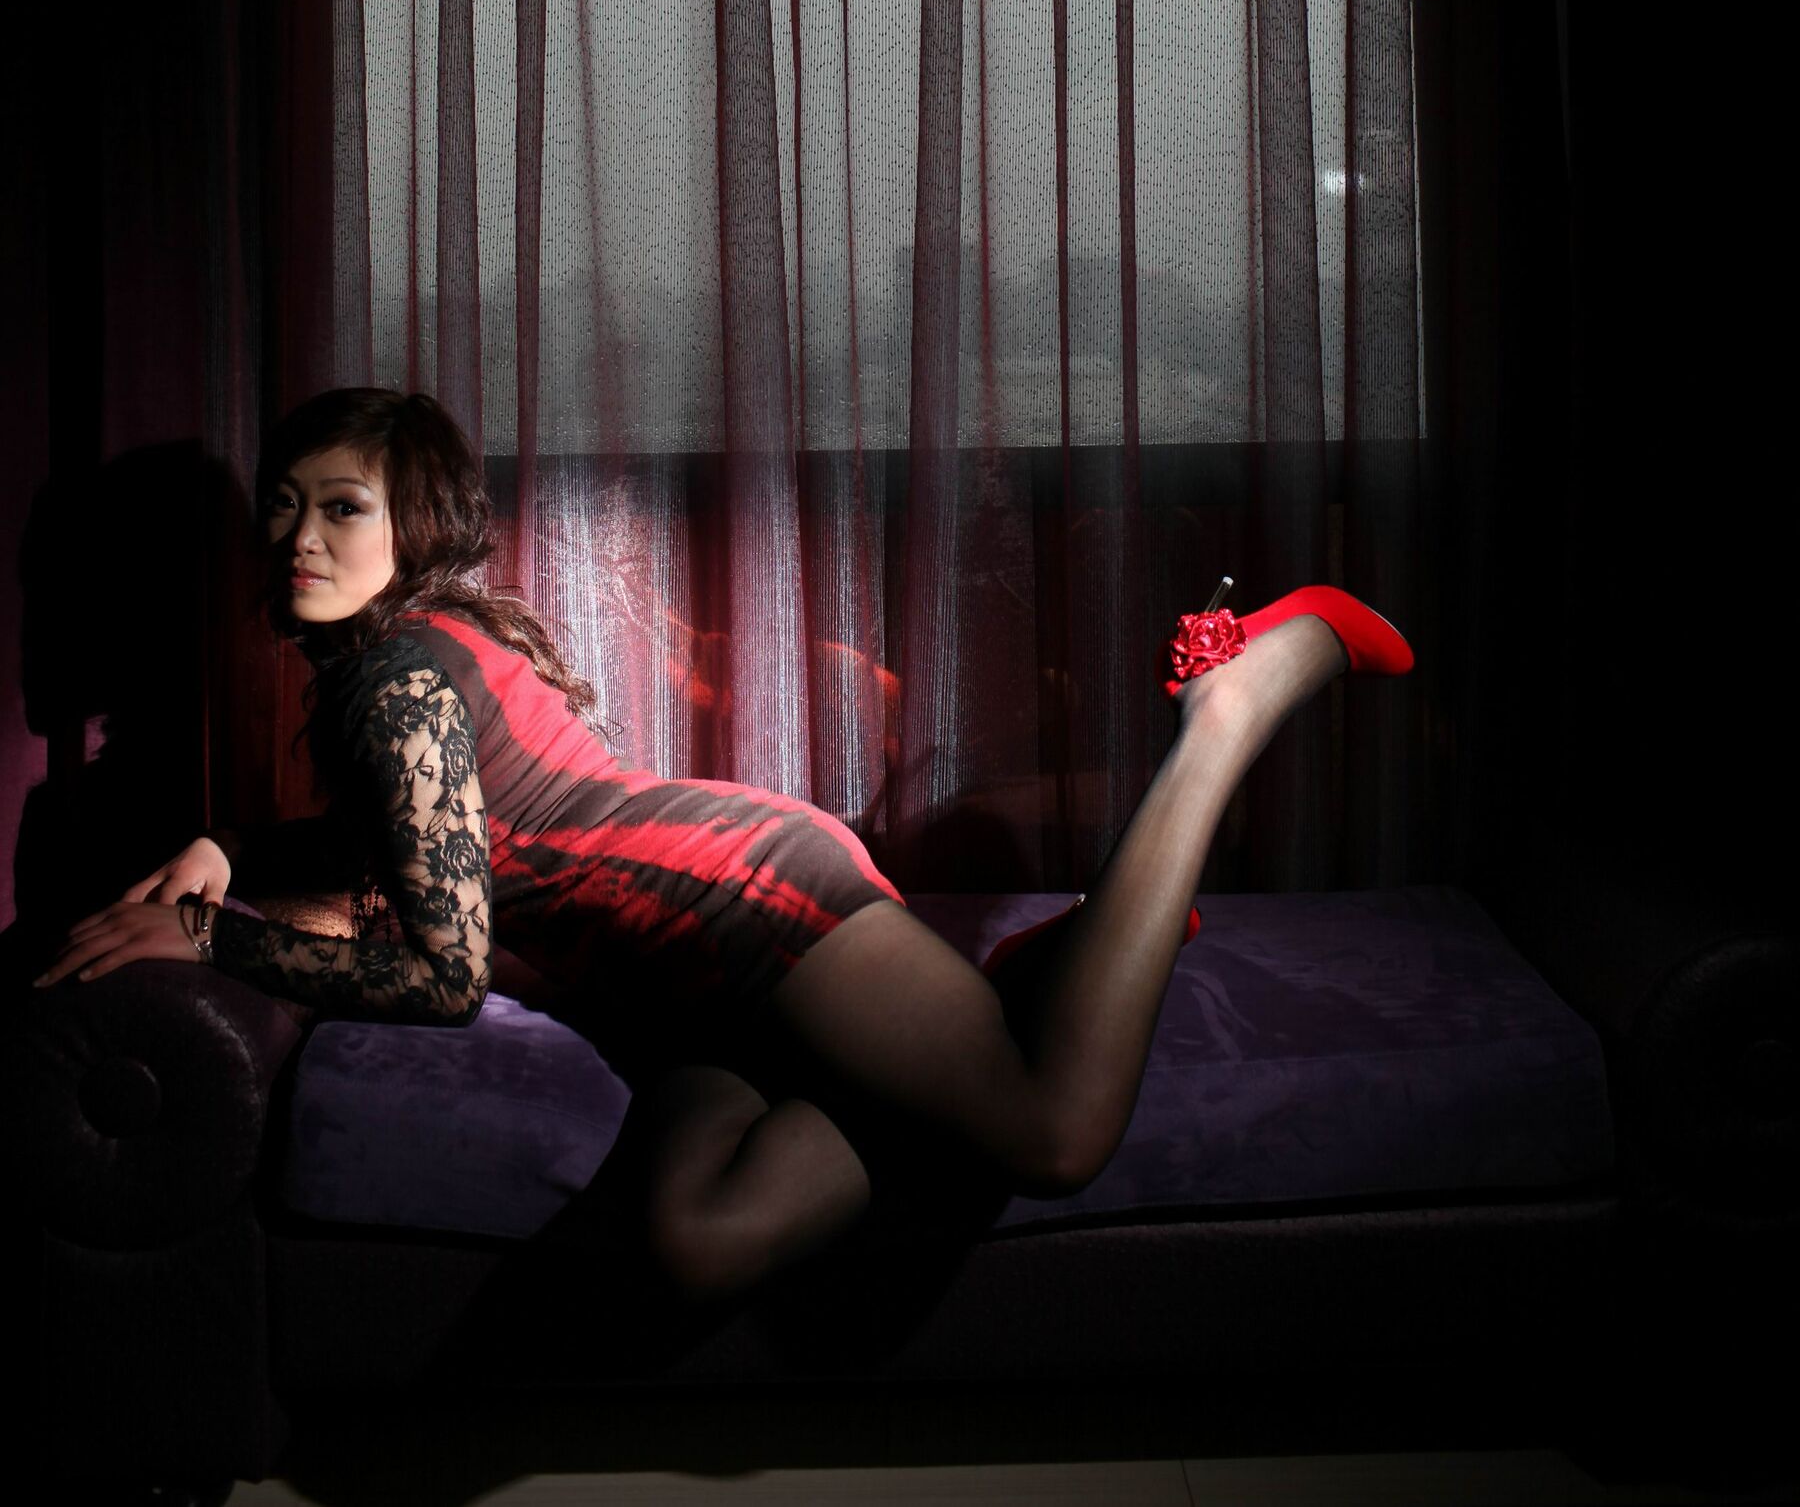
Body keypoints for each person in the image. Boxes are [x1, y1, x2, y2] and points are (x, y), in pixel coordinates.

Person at [35, 386, 1414, 1301]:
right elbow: (410, 836)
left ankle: (1231, 712)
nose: (300, 536)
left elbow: (445, 978)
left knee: (1054, 1135)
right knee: (699, 1242)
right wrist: (229, 844)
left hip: (737, 898)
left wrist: (216, 937)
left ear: (413, 527)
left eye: (343, 507)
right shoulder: (397, 660)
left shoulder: (396, 680)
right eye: (283, 502)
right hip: (664, 977)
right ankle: (1030, 996)